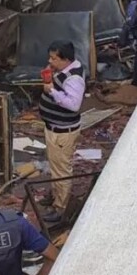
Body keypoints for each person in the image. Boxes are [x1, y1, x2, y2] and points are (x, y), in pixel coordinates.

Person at [38, 40, 86, 224]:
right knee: (56, 165)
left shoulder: (74, 79)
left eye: (54, 58)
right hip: (54, 127)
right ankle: (55, 194)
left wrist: (52, 91)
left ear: (66, 59)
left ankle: (60, 207)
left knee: (62, 170)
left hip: (62, 132)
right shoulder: (65, 70)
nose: (50, 61)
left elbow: (74, 105)